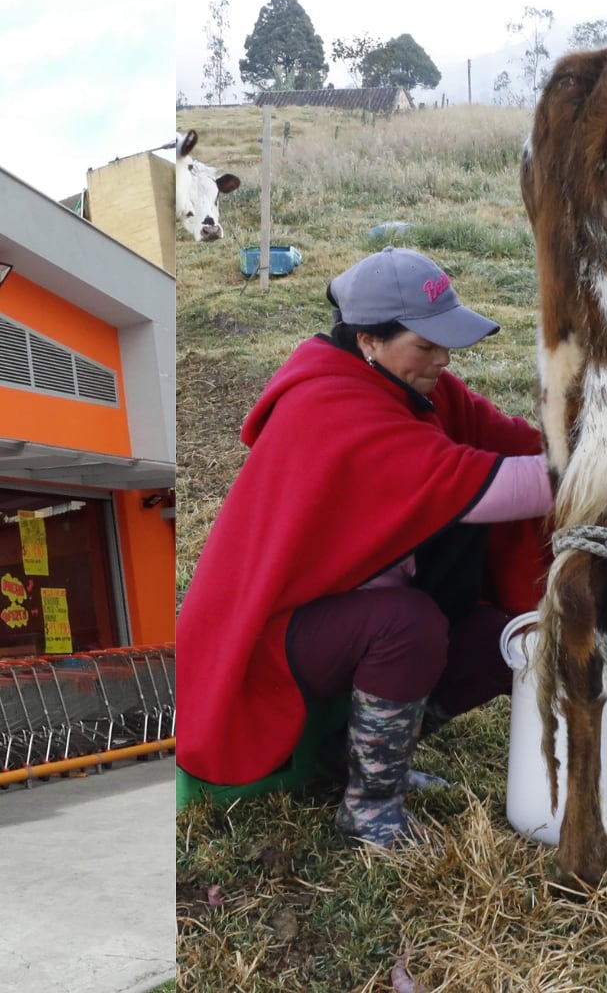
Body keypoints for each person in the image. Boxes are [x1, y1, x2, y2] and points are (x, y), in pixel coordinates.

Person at [176, 247, 556, 849]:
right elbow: (489, 485)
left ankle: (358, 750)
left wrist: (597, 443)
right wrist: (603, 471)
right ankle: (369, 810)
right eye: (425, 345)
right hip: (270, 640)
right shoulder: (331, 404)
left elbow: (512, 442)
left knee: (499, 640)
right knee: (406, 625)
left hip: (344, 614)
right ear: (368, 341)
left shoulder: (416, 386)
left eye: (445, 344)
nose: (443, 359)